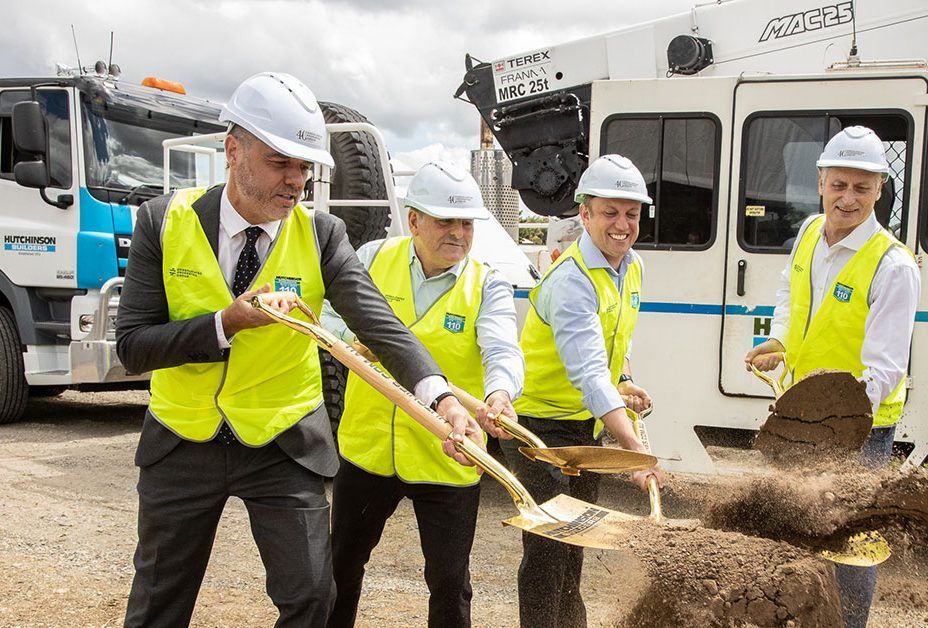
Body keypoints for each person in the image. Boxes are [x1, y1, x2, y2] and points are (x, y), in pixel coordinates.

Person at [116, 72, 478, 626]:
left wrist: (442, 399)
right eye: (280, 162)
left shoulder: (321, 233)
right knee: (160, 603)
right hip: (182, 442)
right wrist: (226, 323)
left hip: (283, 443)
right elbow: (134, 348)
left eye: (306, 167)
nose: (297, 182)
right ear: (232, 150)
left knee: (312, 597)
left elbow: (380, 325)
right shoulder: (163, 222)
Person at [321, 161, 523, 627]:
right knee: (341, 567)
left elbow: (502, 346)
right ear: (413, 221)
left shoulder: (487, 283)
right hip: (369, 450)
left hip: (447, 454)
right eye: (444, 221)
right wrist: (348, 338)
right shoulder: (372, 258)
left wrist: (499, 393)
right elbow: (326, 313)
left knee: (450, 585)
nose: (458, 233)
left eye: (466, 223)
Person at [745, 125, 921, 628]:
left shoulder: (893, 266)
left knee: (846, 546)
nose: (848, 198)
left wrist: (832, 420)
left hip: (859, 431)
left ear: (879, 190)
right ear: (820, 181)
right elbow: (790, 292)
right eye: (838, 184)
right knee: (797, 534)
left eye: (861, 188)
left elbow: (885, 369)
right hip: (805, 421)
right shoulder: (807, 234)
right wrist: (779, 340)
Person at [503, 154, 666, 628]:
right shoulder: (571, 280)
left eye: (631, 214)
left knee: (576, 544)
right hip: (536, 428)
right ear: (585, 213)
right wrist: (634, 451)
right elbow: (590, 374)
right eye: (609, 212)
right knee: (549, 549)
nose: (622, 224)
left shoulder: (631, 267)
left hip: (582, 426)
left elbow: (616, 343)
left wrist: (626, 378)